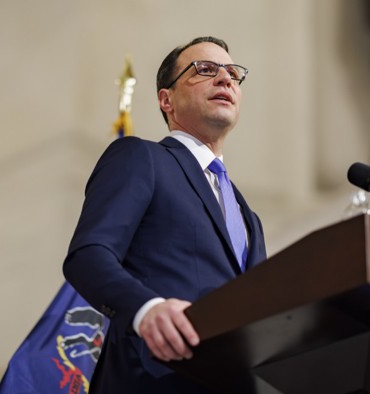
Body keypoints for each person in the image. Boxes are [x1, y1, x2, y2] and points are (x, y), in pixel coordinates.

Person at [63, 36, 267, 393]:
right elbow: (88, 256)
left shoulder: (248, 216)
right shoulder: (142, 158)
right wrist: (146, 310)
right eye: (205, 70)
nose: (225, 79)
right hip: (154, 378)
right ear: (166, 99)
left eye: (233, 74)